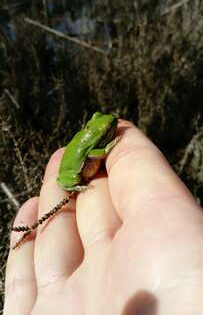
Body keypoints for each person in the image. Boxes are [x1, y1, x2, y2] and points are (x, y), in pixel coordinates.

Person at [4, 120, 203, 314]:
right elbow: (93, 152)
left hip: (75, 158)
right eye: (109, 128)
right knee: (72, 176)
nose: (113, 126)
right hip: (74, 172)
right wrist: (107, 146)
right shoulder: (96, 142)